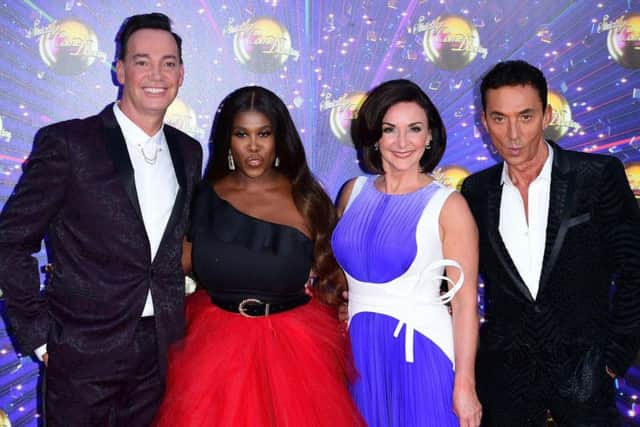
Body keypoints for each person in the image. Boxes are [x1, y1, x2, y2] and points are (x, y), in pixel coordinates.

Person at [0, 13, 202, 426]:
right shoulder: (69, 143)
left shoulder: (189, 152)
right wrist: (39, 336)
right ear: (120, 70)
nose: (156, 73)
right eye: (142, 60)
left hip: (161, 354)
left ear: (181, 74)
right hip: (81, 351)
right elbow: (10, 241)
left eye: (168, 62)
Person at [153, 86, 365, 426]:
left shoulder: (307, 198)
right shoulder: (201, 199)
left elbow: (337, 277)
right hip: (213, 355)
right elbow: (167, 261)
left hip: (295, 356)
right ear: (228, 140)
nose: (253, 146)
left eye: (263, 133)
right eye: (242, 134)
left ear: (279, 138)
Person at [460, 60, 640, 426]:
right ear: (484, 121)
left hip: (585, 377)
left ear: (546, 114)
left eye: (525, 117)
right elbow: (457, 282)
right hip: (506, 383)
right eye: (499, 118)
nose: (513, 134)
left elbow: (635, 270)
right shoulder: (475, 191)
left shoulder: (596, 176)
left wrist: (611, 361)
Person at [332, 79, 482, 427]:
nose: (402, 143)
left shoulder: (449, 205)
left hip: (422, 352)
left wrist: (465, 385)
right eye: (390, 130)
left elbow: (463, 305)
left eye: (414, 129)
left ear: (429, 136)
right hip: (359, 355)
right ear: (374, 136)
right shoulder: (352, 192)